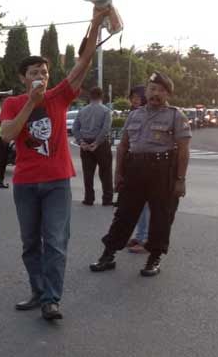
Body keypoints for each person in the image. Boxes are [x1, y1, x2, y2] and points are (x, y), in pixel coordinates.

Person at [0, 7, 109, 320]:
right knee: (30, 243)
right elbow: (6, 136)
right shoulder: (12, 103)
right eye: (34, 73)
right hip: (25, 183)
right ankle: (37, 290)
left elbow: (83, 63)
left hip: (58, 181)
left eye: (44, 73)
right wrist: (30, 105)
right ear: (23, 78)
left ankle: (51, 299)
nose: (40, 77)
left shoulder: (60, 96)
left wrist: (96, 22)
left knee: (56, 242)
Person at [89, 72, 191, 277]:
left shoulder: (175, 116)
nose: (156, 94)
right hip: (134, 170)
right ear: (146, 91)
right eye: (152, 89)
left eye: (161, 91)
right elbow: (123, 146)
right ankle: (108, 255)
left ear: (168, 94)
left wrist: (180, 180)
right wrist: (118, 174)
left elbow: (183, 150)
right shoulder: (134, 115)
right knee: (124, 214)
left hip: (163, 172)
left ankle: (154, 258)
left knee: (161, 217)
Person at [72, 87, 113, 206]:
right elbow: (105, 129)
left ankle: (89, 198)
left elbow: (75, 128)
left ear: (90, 97)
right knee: (106, 172)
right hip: (101, 145)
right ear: (102, 97)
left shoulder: (82, 111)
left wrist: (81, 142)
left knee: (88, 173)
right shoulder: (106, 111)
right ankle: (107, 199)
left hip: (85, 143)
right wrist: (97, 142)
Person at [126, 85, 150, 254]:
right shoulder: (133, 114)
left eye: (137, 97)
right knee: (138, 205)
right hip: (134, 165)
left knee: (146, 205)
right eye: (132, 97)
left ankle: (145, 238)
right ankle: (140, 235)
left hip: (150, 166)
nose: (134, 100)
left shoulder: (151, 115)